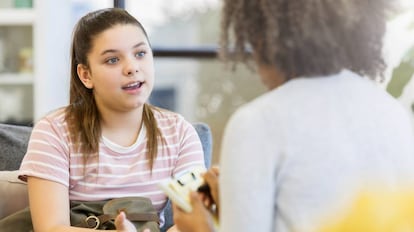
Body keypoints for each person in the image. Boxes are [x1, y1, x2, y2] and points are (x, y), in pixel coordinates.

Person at [172, 0, 414, 232]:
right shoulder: (392, 112)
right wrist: (236, 205)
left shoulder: (258, 122)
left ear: (263, 34)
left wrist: (201, 228)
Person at [17, 8, 205, 232]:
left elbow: (195, 223)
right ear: (86, 75)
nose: (132, 67)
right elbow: (50, 228)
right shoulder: (54, 131)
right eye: (113, 59)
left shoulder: (179, 133)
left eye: (140, 53)